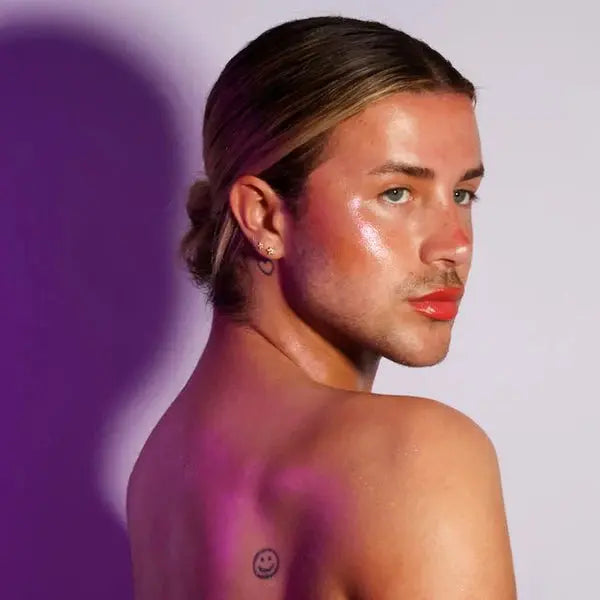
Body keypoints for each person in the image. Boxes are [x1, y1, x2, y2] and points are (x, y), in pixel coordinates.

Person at [126, 15, 517, 599]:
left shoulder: (161, 470)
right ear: (264, 217)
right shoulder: (416, 456)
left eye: (462, 194)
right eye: (397, 193)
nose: (455, 244)